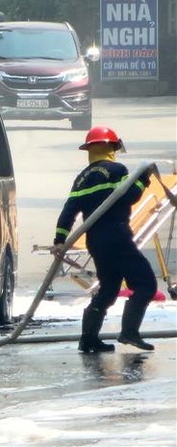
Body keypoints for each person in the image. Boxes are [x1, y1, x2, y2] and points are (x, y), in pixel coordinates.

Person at [52, 126, 157, 353]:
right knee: (146, 284)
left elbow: (68, 211)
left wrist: (59, 240)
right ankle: (129, 332)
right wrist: (143, 178)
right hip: (116, 236)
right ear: (111, 147)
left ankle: (88, 339)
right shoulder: (117, 169)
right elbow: (129, 196)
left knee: (108, 288)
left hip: (96, 241)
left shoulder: (81, 179)